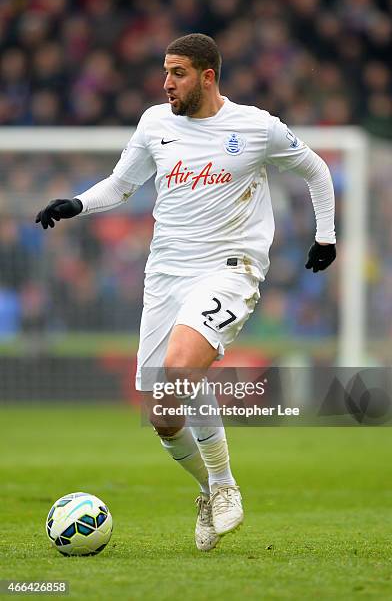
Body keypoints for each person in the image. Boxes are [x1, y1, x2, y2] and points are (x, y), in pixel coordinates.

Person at [35, 33, 336, 552]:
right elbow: (121, 184)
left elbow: (315, 169)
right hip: (165, 276)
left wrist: (326, 235)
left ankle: (223, 485)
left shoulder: (255, 126)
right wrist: (78, 205)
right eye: (165, 72)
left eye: (177, 73)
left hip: (229, 268)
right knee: (164, 413)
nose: (167, 83)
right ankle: (211, 488)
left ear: (207, 75)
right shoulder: (155, 123)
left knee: (179, 366)